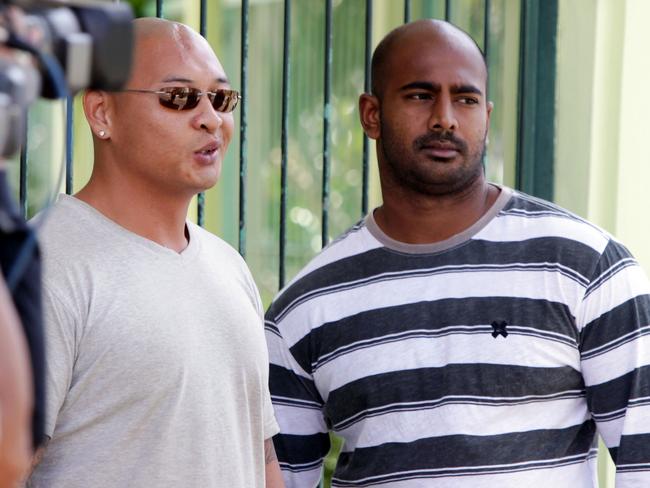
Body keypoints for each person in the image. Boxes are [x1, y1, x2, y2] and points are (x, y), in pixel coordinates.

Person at [265, 19, 650, 487]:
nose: (445, 118)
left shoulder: (583, 265)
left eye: (465, 99)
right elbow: (279, 478)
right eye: (420, 95)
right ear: (371, 114)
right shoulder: (306, 306)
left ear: (486, 115)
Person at [27, 18, 282, 488]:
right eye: (179, 97)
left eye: (221, 99)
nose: (210, 118)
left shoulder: (230, 267)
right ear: (102, 114)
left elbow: (259, 460)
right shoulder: (42, 267)